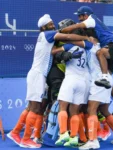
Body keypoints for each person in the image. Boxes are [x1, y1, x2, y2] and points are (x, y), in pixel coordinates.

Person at [7, 14, 90, 149]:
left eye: (53, 23)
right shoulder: (48, 34)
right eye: (51, 24)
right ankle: (26, 139)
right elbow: (68, 37)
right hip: (38, 75)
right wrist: (85, 39)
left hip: (39, 75)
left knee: (31, 107)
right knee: (35, 108)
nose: (53, 25)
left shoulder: (45, 37)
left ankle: (16, 132)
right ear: (44, 27)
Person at [60, 5, 113, 116]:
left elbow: (73, 28)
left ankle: (104, 78)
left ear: (85, 15)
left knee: (101, 56)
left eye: (80, 16)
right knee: (108, 74)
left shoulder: (91, 20)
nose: (79, 18)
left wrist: (60, 31)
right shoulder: (92, 29)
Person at [69, 37, 113, 150]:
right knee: (104, 111)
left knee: (91, 110)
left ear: (93, 38)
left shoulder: (91, 46)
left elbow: (73, 40)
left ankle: (93, 140)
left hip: (98, 81)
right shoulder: (100, 47)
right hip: (105, 80)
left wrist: (62, 37)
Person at [54, 20, 90, 147]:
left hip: (71, 79)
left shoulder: (69, 46)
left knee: (63, 107)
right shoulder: (87, 47)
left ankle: (63, 133)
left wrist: (64, 53)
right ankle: (74, 137)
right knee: (75, 111)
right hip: (84, 82)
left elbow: (53, 52)